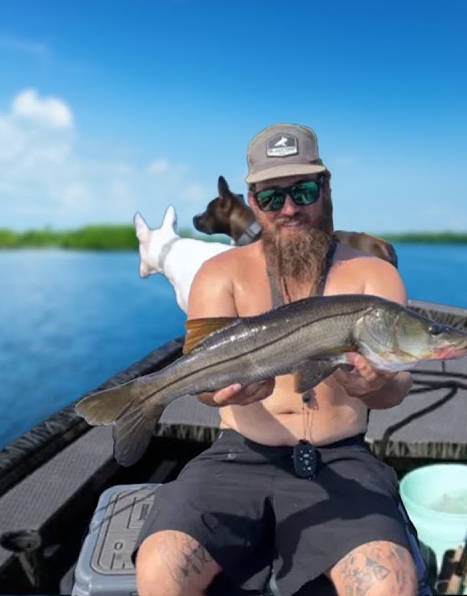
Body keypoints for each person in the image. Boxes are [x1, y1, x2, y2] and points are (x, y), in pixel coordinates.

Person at [133, 124, 428, 596]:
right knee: (159, 565)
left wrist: (376, 384)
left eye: (303, 191)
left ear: (326, 189)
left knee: (390, 581)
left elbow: (397, 388)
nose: (289, 208)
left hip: (342, 458)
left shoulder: (373, 276)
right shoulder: (219, 274)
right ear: (253, 203)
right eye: (272, 198)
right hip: (238, 454)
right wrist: (223, 391)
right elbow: (205, 381)